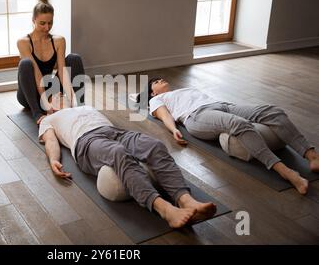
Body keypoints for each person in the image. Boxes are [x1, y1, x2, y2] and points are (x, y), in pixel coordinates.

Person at [38, 93, 217, 229]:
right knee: (117, 152)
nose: (61, 95)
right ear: (49, 107)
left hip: (115, 132)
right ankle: (165, 209)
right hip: (86, 142)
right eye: (55, 96)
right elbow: (51, 141)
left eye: (62, 93)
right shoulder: (49, 119)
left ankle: (186, 200)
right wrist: (54, 160)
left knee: (154, 145)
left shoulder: (85, 107)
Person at [143, 77, 319, 195]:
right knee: (239, 124)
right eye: (157, 82)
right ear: (153, 93)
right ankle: (286, 172)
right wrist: (173, 130)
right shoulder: (156, 100)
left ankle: (312, 156)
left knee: (274, 111)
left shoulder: (186, 89)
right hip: (196, 117)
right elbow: (164, 115)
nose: (161, 80)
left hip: (223, 105)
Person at [16, 0, 85, 124]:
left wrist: (71, 103)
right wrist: (45, 104)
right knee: (25, 64)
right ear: (33, 20)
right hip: (29, 94)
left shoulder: (59, 41)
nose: (47, 27)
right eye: (42, 23)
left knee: (74, 58)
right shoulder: (23, 42)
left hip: (49, 88)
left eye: (50, 23)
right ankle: (36, 113)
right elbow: (36, 74)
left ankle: (82, 106)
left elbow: (63, 71)